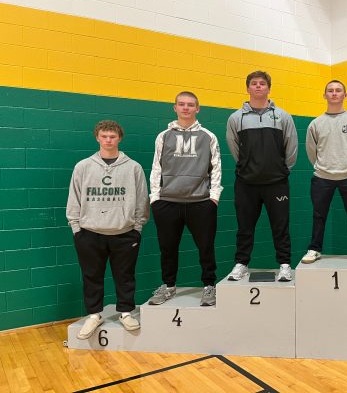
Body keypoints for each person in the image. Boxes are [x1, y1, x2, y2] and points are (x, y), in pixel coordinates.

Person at [67, 120, 149, 339]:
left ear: (119, 138)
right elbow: (74, 198)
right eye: (104, 136)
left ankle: (125, 312)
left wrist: (137, 227)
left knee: (125, 276)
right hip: (89, 233)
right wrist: (76, 228)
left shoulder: (133, 167)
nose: (108, 140)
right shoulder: (83, 166)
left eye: (112, 136)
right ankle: (94, 315)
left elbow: (142, 200)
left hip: (125, 233)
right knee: (91, 276)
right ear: (97, 137)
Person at [148, 91, 223, 306]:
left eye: (191, 105)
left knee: (206, 247)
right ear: (175, 107)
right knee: (168, 248)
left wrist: (214, 197)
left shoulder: (208, 136)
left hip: (201, 202)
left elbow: (216, 167)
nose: (186, 108)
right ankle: (168, 286)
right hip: (168, 202)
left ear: (197, 109)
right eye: (182, 104)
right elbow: (156, 167)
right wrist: (155, 197)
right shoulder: (163, 136)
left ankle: (209, 287)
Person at [226, 70, 298, 282]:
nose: (258, 86)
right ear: (248, 88)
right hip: (246, 183)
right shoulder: (235, 118)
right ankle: (241, 264)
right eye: (254, 83)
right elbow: (234, 148)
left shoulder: (283, 116)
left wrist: (281, 170)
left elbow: (291, 147)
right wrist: (248, 167)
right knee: (244, 227)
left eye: (262, 83)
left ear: (268, 88)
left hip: (277, 183)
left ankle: (285, 264)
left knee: (281, 225)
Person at [302, 80, 347, 264]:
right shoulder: (315, 124)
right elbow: (311, 151)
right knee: (318, 215)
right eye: (330, 91)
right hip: (322, 177)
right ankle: (314, 249)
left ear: (345, 95)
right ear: (324, 95)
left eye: (338, 90)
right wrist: (321, 166)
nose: (334, 93)